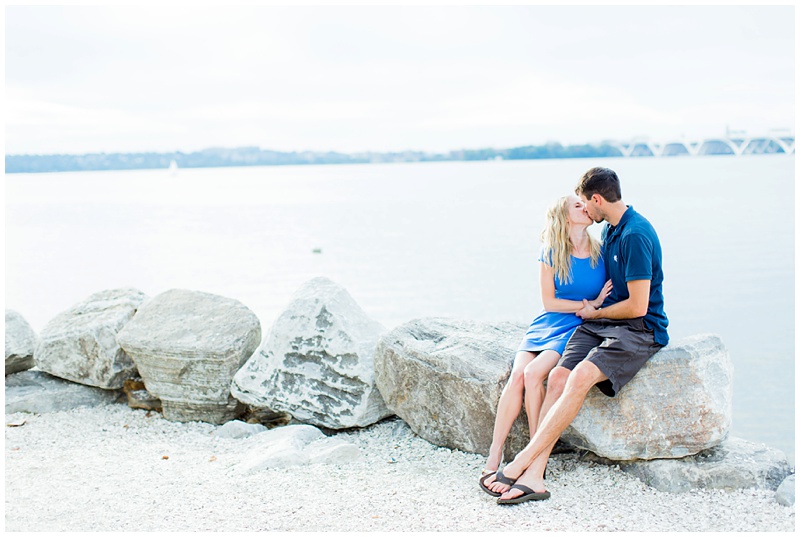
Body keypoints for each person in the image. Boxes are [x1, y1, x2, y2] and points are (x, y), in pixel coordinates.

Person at [483, 166, 669, 505]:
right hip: (601, 322)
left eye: (585, 203)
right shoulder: (612, 230)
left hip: (639, 329)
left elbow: (639, 306)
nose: (585, 208)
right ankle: (536, 476)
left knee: (581, 374)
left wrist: (595, 311)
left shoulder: (634, 235)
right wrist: (594, 313)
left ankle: (522, 462)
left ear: (597, 199)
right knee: (556, 377)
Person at [479, 194, 611, 496]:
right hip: (547, 322)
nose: (586, 207)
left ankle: (534, 456)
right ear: (565, 218)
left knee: (535, 373)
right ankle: (495, 453)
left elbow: (610, 296)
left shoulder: (599, 252)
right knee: (518, 376)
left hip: (577, 325)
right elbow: (548, 301)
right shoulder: (551, 251)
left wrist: (597, 307)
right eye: (578, 206)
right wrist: (589, 303)